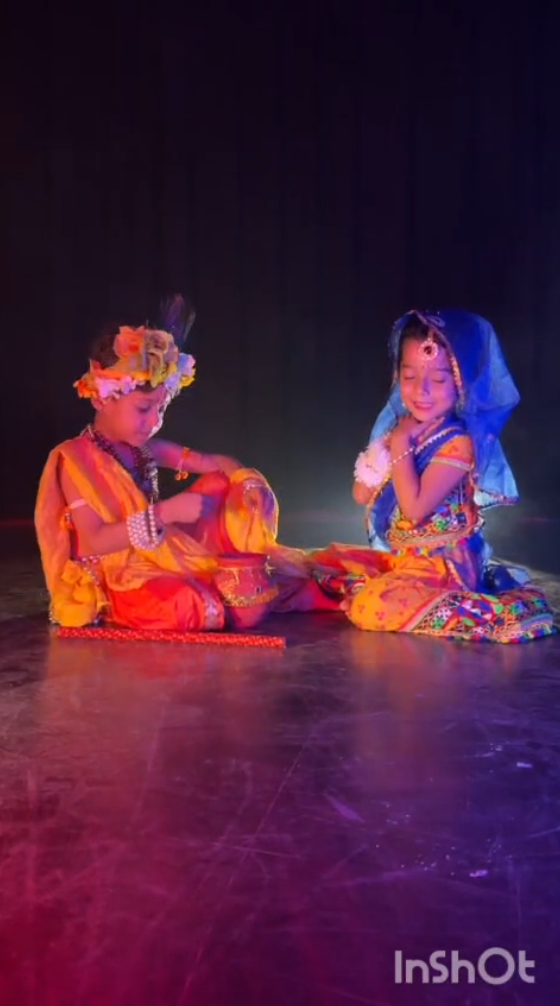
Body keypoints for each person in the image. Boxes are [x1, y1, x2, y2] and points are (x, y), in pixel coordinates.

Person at [34, 296, 333, 632]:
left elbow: (214, 463)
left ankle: (231, 577)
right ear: (103, 398)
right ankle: (222, 589)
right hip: (116, 578)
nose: (154, 422)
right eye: (144, 409)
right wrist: (164, 513)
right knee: (193, 603)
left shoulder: (146, 449)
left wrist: (248, 483)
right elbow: (94, 541)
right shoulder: (75, 458)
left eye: (161, 409)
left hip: (156, 555)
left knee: (222, 482)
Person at [305, 309, 556, 643]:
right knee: (322, 562)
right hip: (405, 558)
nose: (421, 390)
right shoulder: (404, 429)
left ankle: (487, 613)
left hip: (444, 566)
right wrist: (384, 448)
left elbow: (414, 510)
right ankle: (383, 591)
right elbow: (360, 494)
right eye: (409, 376)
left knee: (369, 606)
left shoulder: (459, 442)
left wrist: (400, 444)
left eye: (438, 380)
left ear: (462, 383)